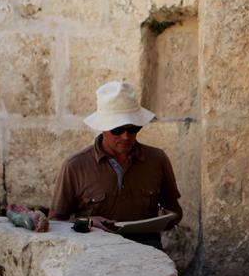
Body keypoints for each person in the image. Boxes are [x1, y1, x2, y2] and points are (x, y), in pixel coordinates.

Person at [49, 80, 182, 250]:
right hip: (94, 252)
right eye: (117, 130)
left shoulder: (157, 159)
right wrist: (89, 222)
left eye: (133, 129)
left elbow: (175, 211)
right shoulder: (75, 166)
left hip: (147, 252)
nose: (126, 136)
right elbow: (55, 222)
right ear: (103, 128)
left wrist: (168, 217)